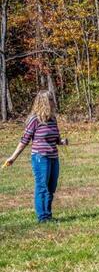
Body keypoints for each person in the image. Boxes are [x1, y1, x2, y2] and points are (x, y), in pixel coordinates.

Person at [4, 91, 67, 222]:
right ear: (43, 102)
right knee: (42, 186)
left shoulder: (53, 119)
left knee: (51, 187)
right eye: (50, 99)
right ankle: (42, 217)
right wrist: (13, 157)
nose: (53, 101)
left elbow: (56, 139)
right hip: (40, 158)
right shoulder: (34, 120)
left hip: (53, 157)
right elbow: (24, 140)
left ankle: (48, 215)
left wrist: (62, 142)